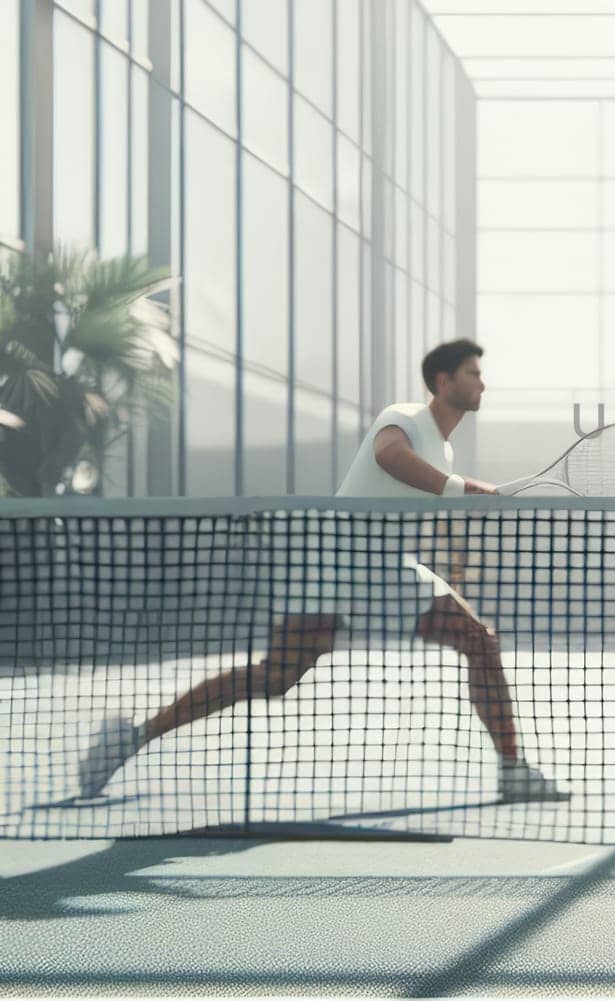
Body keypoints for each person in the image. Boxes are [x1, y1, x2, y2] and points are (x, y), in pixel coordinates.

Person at [78, 338, 568, 807]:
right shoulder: (405, 416)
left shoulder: (444, 450)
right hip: (334, 558)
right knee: (275, 677)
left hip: (387, 568)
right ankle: (133, 738)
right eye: (473, 374)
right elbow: (388, 457)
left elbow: (411, 503)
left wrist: (456, 541)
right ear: (443, 380)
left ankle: (512, 771)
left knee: (479, 640)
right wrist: (462, 489)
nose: (483, 383)